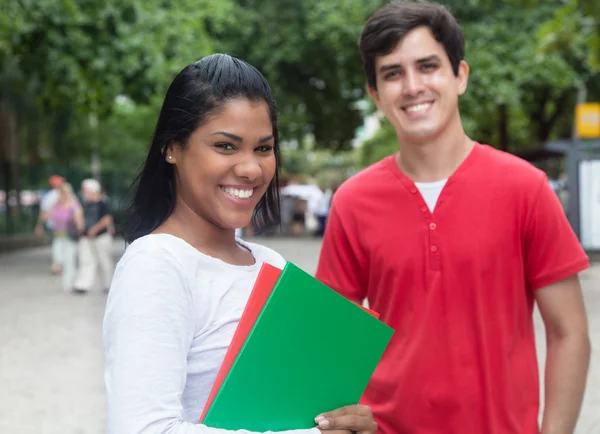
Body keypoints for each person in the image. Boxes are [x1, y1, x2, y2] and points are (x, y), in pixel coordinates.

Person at [315, 2, 591, 434]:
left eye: (428, 66)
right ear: (375, 94)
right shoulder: (353, 201)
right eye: (392, 73)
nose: (412, 86)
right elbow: (331, 343)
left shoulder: (526, 188)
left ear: (459, 76)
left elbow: (569, 334)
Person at [102, 54, 377, 434]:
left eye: (264, 149)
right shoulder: (157, 265)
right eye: (226, 146)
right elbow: (143, 429)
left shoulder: (271, 265)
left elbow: (294, 405)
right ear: (172, 148)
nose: (251, 168)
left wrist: (344, 422)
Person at [72, 178, 114, 294]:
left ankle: (108, 284)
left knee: (104, 261)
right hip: (86, 237)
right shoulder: (85, 204)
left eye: (85, 190)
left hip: (101, 236)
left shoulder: (104, 202)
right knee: (85, 260)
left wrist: (95, 229)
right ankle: (82, 285)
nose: (83, 192)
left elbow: (107, 219)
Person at [47, 182, 85, 292]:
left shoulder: (74, 204)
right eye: (60, 193)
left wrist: (80, 230)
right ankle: (67, 278)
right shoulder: (56, 204)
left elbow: (80, 221)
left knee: (69, 261)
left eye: (63, 192)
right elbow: (49, 216)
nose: (61, 195)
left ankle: (68, 283)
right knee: (58, 258)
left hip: (70, 236)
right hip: (58, 236)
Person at [35, 175, 65, 274]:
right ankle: (58, 265)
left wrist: (39, 225)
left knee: (56, 244)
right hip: (62, 225)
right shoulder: (61, 195)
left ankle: (57, 264)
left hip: (52, 225)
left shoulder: (47, 196)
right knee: (61, 244)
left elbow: (42, 212)